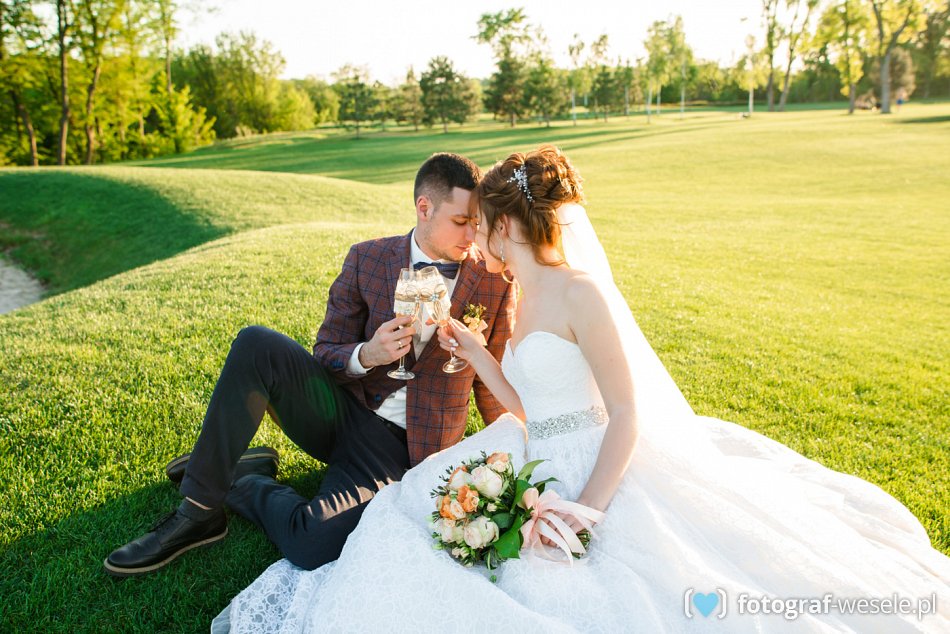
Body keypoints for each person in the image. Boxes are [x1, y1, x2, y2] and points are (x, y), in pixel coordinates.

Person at [213, 146, 950, 632]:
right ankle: (235, 487)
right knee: (413, 527)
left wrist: (587, 508)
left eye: (484, 225)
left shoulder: (580, 292)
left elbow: (625, 411)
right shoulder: (519, 293)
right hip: (526, 443)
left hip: (595, 460)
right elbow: (528, 401)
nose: (476, 239)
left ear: (508, 223)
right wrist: (476, 352)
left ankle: (247, 488)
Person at [104, 152, 517, 577]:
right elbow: (326, 350)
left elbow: (493, 383)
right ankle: (198, 511)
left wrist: (512, 458)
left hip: (399, 449)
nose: (472, 233)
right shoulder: (367, 258)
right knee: (255, 343)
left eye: (476, 221)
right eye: (461, 221)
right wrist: (368, 354)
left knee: (312, 542)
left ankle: (242, 478)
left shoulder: (493, 280)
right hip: (336, 411)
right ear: (424, 208)